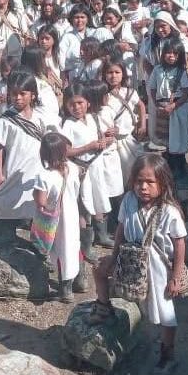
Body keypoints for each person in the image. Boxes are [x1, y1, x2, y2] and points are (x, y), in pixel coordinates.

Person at [88, 154, 187, 375]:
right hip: (128, 260)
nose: (143, 187)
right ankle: (104, 308)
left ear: (163, 182)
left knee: (166, 315)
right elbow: (122, 229)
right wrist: (113, 258)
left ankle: (167, 354)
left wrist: (176, 276)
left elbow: (180, 243)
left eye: (150, 182)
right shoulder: (129, 201)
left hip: (158, 269)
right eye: (139, 181)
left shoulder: (169, 211)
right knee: (99, 269)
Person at [0, 72, 53, 247]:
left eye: (22, 93)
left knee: (37, 204)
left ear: (33, 95)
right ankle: (7, 234)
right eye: (14, 93)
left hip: (38, 169)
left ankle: (39, 243)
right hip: (14, 168)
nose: (17, 98)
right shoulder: (7, 119)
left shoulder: (41, 117)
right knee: (4, 199)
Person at [60, 83, 120, 257]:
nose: (77, 107)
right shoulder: (68, 124)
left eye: (80, 103)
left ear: (87, 102)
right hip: (81, 170)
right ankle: (85, 244)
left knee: (99, 199)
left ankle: (101, 235)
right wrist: (89, 147)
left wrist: (105, 140)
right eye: (72, 104)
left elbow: (101, 138)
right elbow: (66, 151)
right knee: (84, 205)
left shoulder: (93, 118)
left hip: (96, 167)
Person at [29, 132, 84, 302]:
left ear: (43, 153)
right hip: (72, 214)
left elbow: (41, 202)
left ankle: (65, 291)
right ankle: (81, 282)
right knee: (74, 246)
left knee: (60, 253)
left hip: (55, 220)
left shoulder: (44, 175)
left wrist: (34, 194)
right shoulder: (74, 169)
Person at [148, 37, 188, 188]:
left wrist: (173, 106)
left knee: (178, 139)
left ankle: (180, 169)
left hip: (177, 108)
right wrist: (156, 104)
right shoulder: (157, 70)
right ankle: (168, 169)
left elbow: (186, 93)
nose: (171, 56)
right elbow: (153, 87)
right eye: (168, 52)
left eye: (175, 53)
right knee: (167, 139)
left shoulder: (181, 72)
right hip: (163, 108)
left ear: (180, 55)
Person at [102, 59, 146, 189]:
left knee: (135, 169)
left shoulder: (130, 92)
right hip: (112, 141)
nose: (113, 76)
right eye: (110, 72)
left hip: (129, 139)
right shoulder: (103, 95)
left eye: (117, 72)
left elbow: (141, 106)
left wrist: (142, 125)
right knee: (117, 174)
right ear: (104, 75)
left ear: (123, 74)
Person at [19, 47, 62, 124]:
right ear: (35, 62)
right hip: (41, 123)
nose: (45, 62)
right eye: (43, 60)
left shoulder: (41, 79)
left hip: (53, 119)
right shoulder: (27, 83)